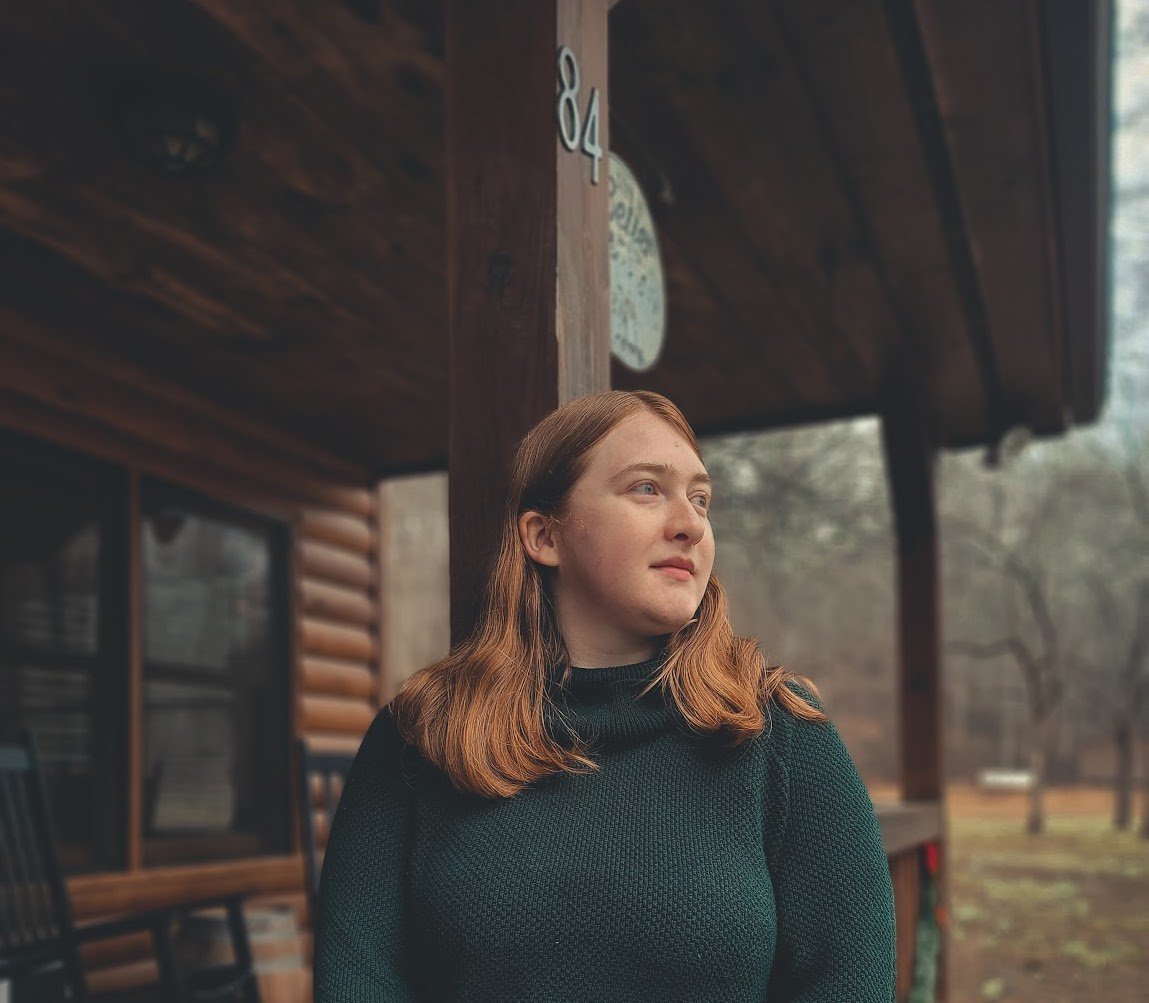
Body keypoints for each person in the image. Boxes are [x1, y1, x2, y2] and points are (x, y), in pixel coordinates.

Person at [315, 390, 896, 1002]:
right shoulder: (422, 736)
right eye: (647, 488)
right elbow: (357, 983)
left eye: (700, 499)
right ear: (545, 536)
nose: (691, 524)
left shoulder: (778, 730)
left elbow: (849, 981)